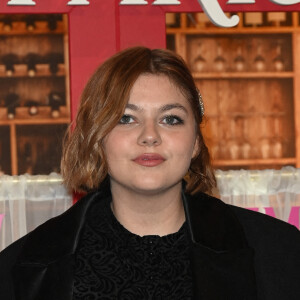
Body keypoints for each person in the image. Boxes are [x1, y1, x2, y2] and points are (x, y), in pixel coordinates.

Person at [0, 46, 299, 300]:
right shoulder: (21, 266)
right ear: (96, 138)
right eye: (127, 118)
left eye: (171, 119)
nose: (150, 136)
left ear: (195, 142)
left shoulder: (279, 252)